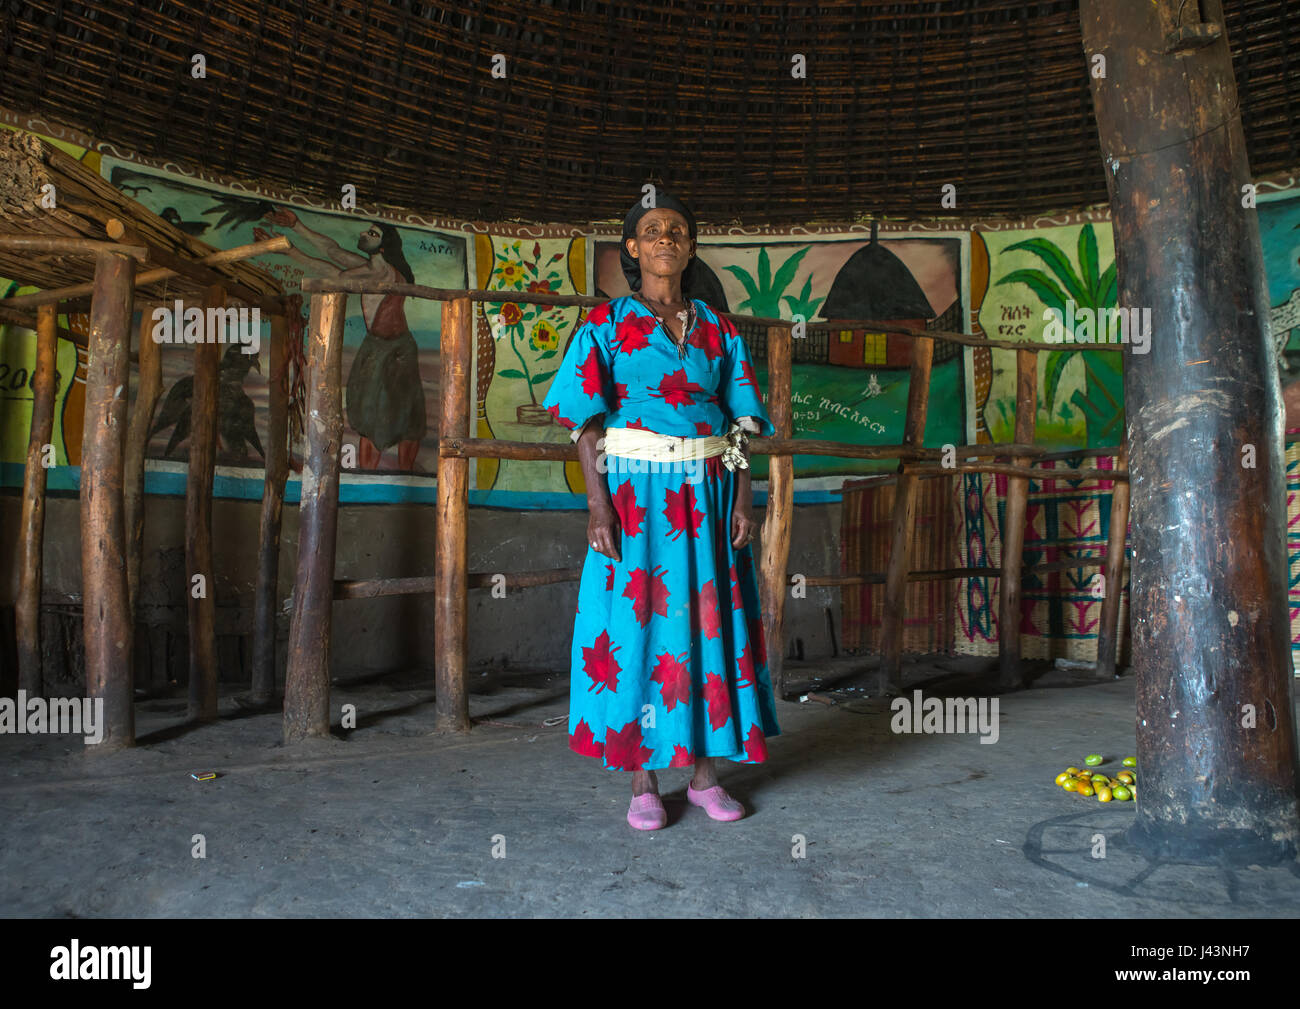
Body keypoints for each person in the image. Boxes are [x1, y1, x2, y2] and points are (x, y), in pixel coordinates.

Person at [541, 190, 781, 830]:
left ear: (692, 246)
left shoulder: (720, 327)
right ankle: (643, 781)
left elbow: (739, 426)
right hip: (635, 498)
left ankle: (704, 777)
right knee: (635, 629)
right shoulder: (604, 323)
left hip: (708, 495)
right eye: (652, 231)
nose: (665, 238)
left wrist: (746, 496)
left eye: (677, 229)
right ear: (632, 248)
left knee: (710, 628)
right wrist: (597, 506)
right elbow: (585, 424)